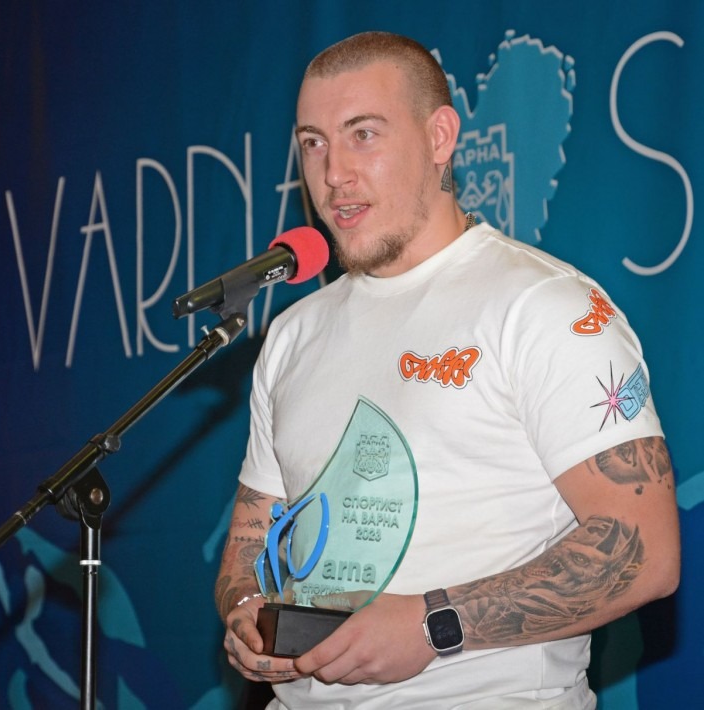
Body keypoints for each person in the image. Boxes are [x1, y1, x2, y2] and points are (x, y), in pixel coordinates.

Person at [214, 31, 680, 709]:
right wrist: (245, 613)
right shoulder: (292, 334)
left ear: (439, 137)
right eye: (313, 143)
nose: (333, 173)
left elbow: (644, 552)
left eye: (363, 134)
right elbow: (251, 541)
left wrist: (434, 625)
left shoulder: (543, 306)